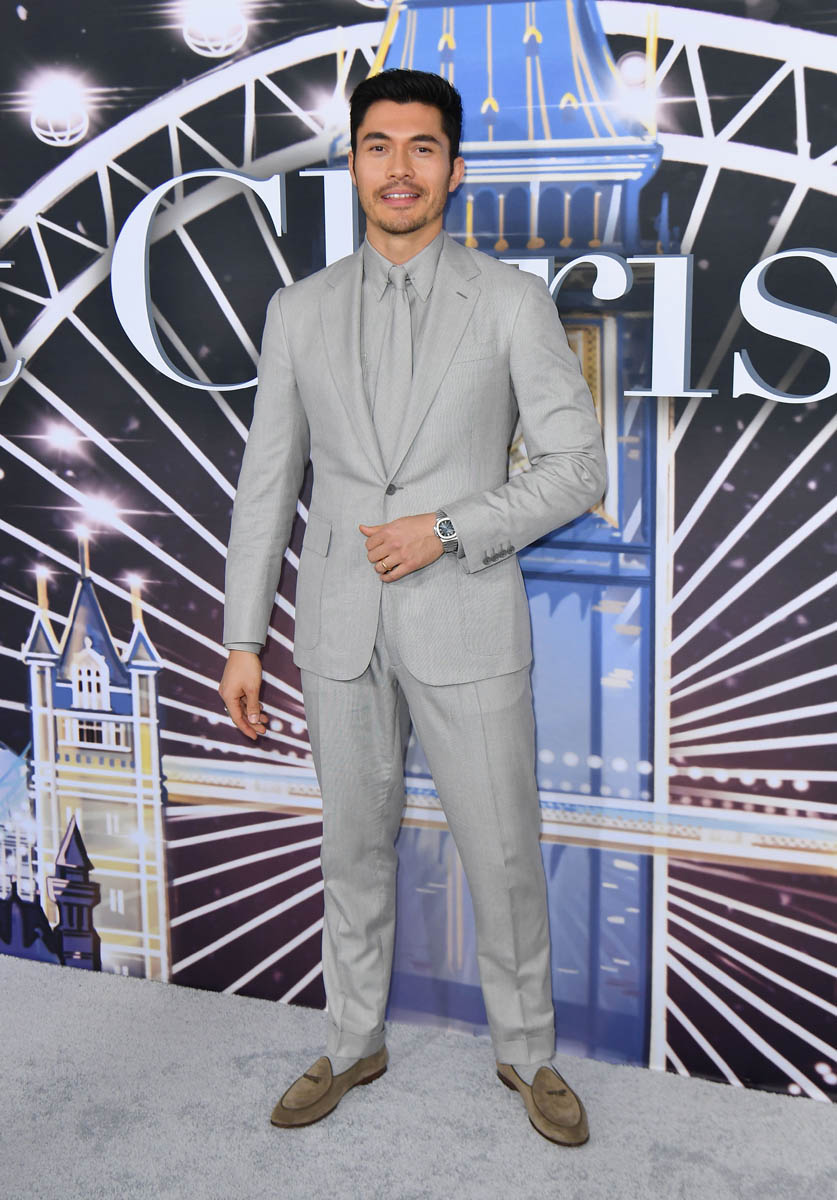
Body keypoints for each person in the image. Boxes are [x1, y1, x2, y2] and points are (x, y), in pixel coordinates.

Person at [219, 68, 606, 1146]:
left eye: (422, 147)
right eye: (379, 145)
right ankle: (352, 1039)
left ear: (455, 168)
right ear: (351, 162)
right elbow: (267, 482)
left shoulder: (513, 301)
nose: (400, 168)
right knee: (351, 846)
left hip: (467, 613)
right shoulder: (297, 310)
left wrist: (445, 527)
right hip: (336, 626)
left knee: (504, 852)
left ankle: (527, 1052)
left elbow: (578, 468)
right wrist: (242, 637)